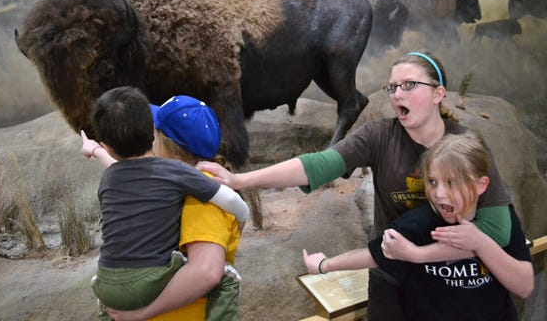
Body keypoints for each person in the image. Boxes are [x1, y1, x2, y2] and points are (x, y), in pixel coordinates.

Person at [197, 51, 513, 320]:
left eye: (409, 85)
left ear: (438, 93)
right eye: (392, 87)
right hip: (393, 284)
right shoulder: (379, 135)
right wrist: (240, 179)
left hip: (452, 283)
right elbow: (319, 165)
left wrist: (419, 253)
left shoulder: (468, 145)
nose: (396, 94)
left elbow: (498, 230)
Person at [303, 132, 533, 320]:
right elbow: (373, 255)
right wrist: (324, 265)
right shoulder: (418, 223)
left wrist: (481, 243)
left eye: (451, 183)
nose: (440, 194)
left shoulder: (502, 220)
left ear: (481, 185)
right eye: (432, 182)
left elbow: (523, 286)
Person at [83, 87, 249, 321]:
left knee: (224, 278)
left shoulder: (200, 199)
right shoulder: (181, 177)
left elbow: (207, 273)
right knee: (229, 277)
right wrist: (243, 216)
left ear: (162, 141)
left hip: (111, 286)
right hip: (148, 290)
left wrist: (140, 314)